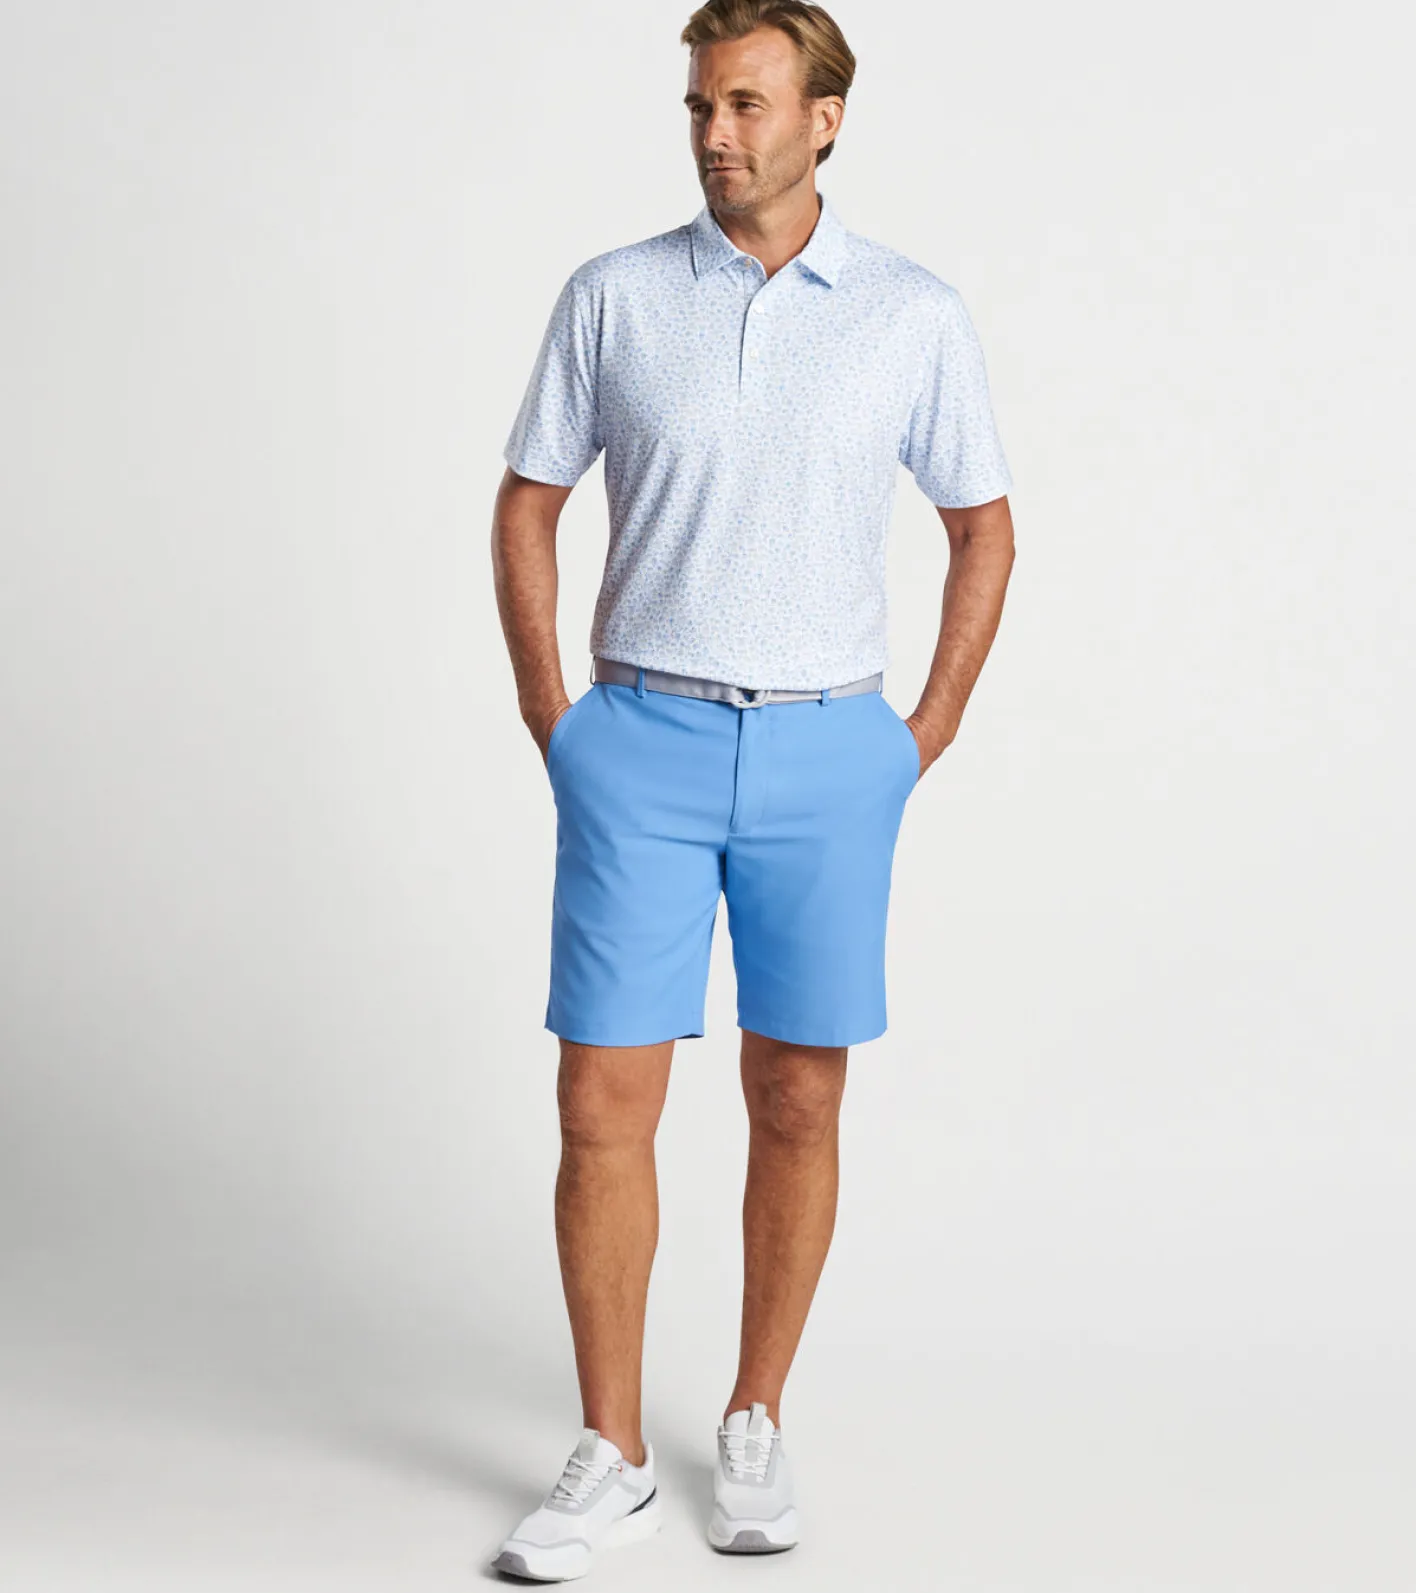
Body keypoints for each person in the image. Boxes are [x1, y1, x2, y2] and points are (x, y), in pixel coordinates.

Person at [489, 0, 1014, 1578]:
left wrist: (920, 732)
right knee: (601, 1101)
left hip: (828, 752)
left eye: (747, 104)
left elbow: (983, 525)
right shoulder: (615, 296)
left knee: (798, 1094)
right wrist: (557, 720)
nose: (718, 134)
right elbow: (526, 506)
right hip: (638, 741)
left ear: (825, 118)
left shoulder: (911, 314)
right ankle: (610, 1451)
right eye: (701, 107)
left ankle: (756, 1416)